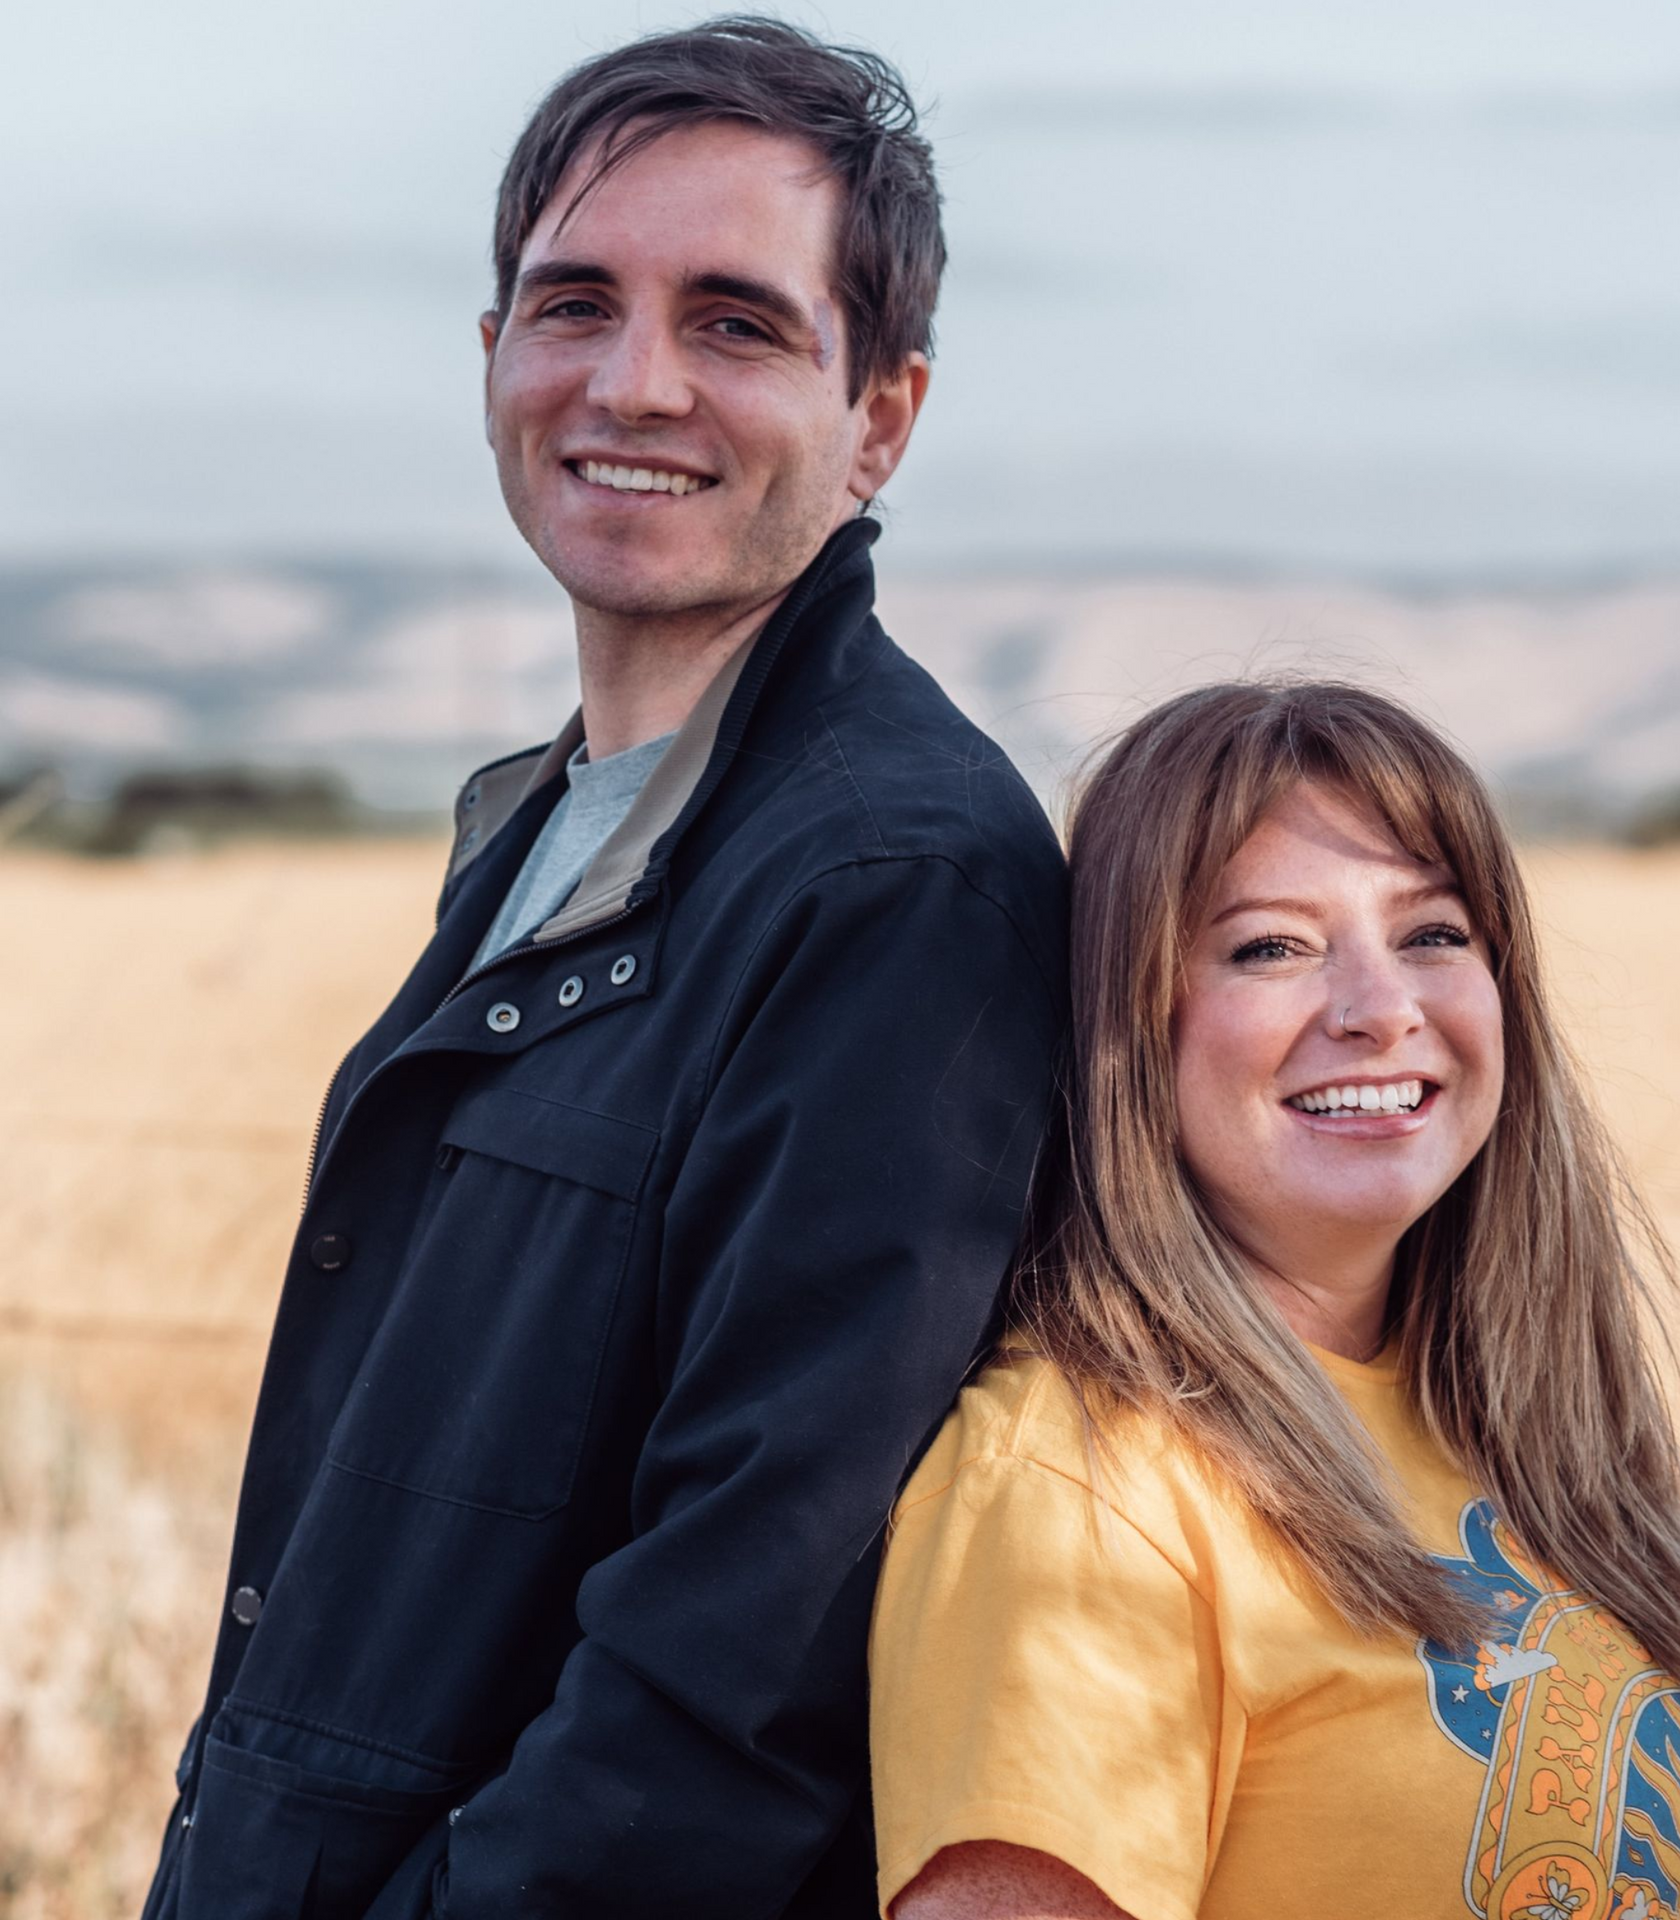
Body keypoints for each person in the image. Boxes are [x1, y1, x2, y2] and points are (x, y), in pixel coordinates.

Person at [143, 19, 1065, 1920]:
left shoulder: (894, 886)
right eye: (575, 305)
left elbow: (747, 1658)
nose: (634, 383)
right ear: (493, 356)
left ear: (881, 417)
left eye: (737, 323)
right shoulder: (560, 826)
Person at [870, 681, 1680, 1920]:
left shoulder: (1524, 1418)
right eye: (1271, 947)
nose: (1383, 1009)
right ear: (1131, 1029)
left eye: (1434, 934)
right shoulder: (1078, 1493)